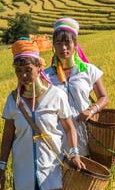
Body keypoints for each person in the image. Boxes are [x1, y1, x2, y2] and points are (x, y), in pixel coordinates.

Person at [0, 39, 84, 190]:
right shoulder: (13, 100)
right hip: (23, 168)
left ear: (39, 67)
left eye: (28, 70)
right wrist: (1, 169)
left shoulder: (56, 95)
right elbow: (7, 136)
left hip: (49, 167)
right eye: (18, 71)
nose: (23, 76)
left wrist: (74, 152)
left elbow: (69, 128)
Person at [47, 18, 110, 157]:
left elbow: (104, 97)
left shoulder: (88, 70)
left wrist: (92, 110)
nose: (63, 48)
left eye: (67, 43)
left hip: (85, 135)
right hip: (57, 138)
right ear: (54, 46)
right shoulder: (46, 76)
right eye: (58, 43)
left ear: (75, 44)